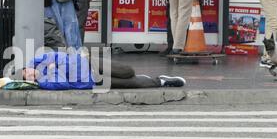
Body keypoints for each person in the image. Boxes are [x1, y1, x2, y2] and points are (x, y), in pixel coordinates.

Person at [21, 52, 186, 90]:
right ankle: (162, 81)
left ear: (28, 67)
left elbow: (59, 55)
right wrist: (52, 70)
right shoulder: (44, 83)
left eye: (26, 71)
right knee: (132, 83)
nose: (30, 74)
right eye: (27, 78)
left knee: (128, 71)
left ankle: (143, 77)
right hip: (93, 81)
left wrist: (53, 67)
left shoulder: (39, 60)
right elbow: (63, 83)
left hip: (90, 63)